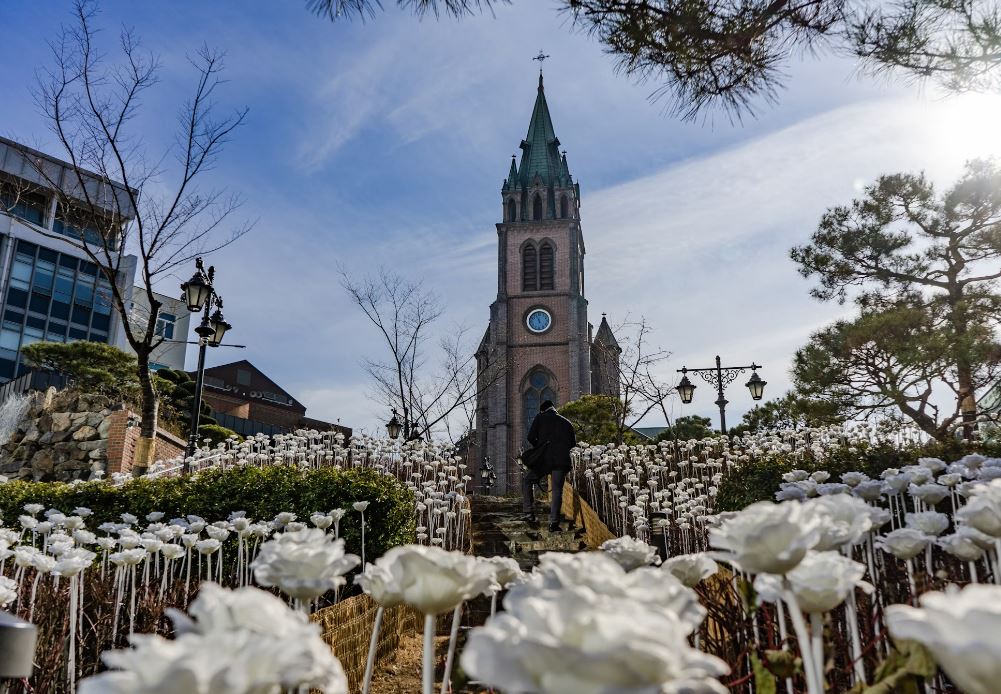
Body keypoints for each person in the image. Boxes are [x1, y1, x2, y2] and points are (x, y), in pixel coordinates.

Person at [522, 399, 576, 531]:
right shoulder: (567, 423)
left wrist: (540, 446)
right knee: (557, 491)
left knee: (528, 481)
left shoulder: (540, 418)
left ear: (542, 410)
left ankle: (529, 512)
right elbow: (572, 444)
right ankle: (553, 524)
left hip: (543, 460)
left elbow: (530, 437)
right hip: (560, 461)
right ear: (553, 408)